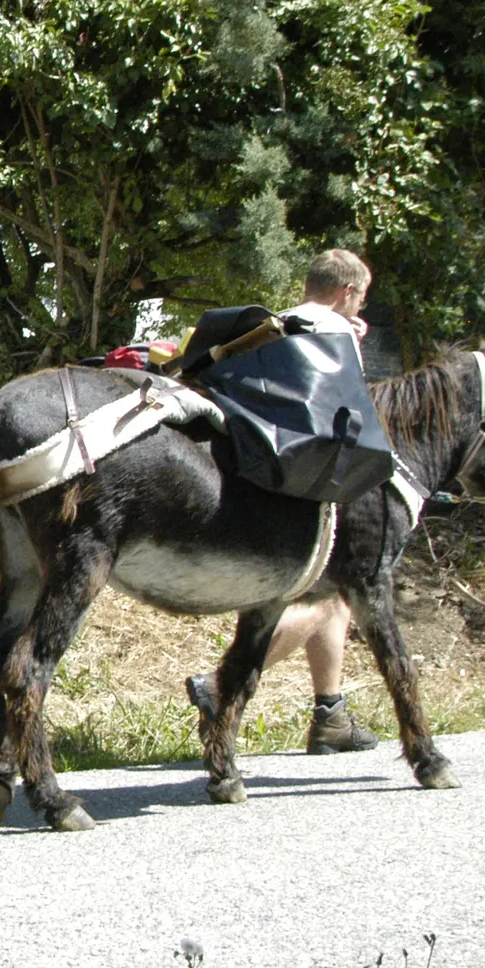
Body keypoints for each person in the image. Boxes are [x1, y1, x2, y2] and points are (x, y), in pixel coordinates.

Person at [185, 248, 380, 754]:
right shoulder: (336, 336)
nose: (360, 308)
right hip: (307, 485)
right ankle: (217, 683)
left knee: (331, 598)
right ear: (346, 292)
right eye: (360, 297)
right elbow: (349, 421)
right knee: (326, 594)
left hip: (255, 472)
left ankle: (330, 713)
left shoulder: (276, 324)